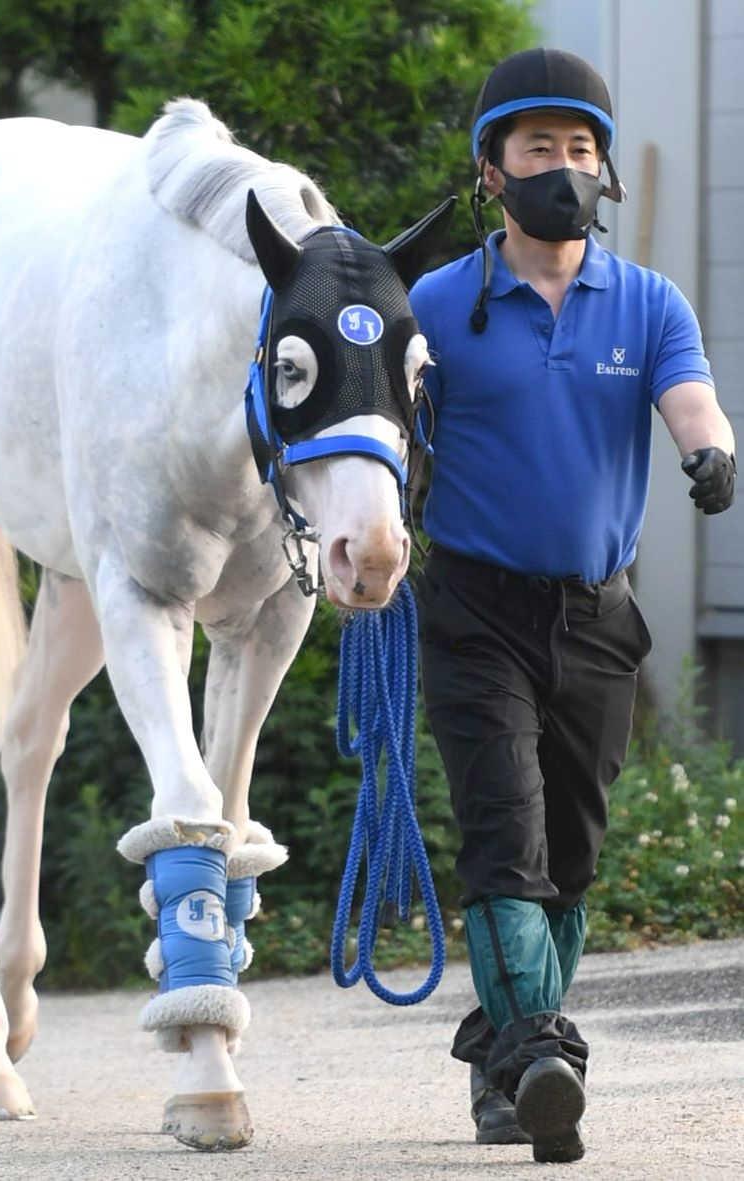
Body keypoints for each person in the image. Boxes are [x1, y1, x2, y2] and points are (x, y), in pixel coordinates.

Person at [408, 47, 735, 1164]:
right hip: (473, 608)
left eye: (581, 148)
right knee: (508, 836)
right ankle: (549, 1052)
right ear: (491, 170)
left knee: (574, 859)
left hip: (598, 616)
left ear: (606, 174)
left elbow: (688, 393)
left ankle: (508, 1062)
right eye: (538, 146)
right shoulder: (439, 305)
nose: (564, 165)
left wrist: (712, 452)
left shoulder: (645, 300)